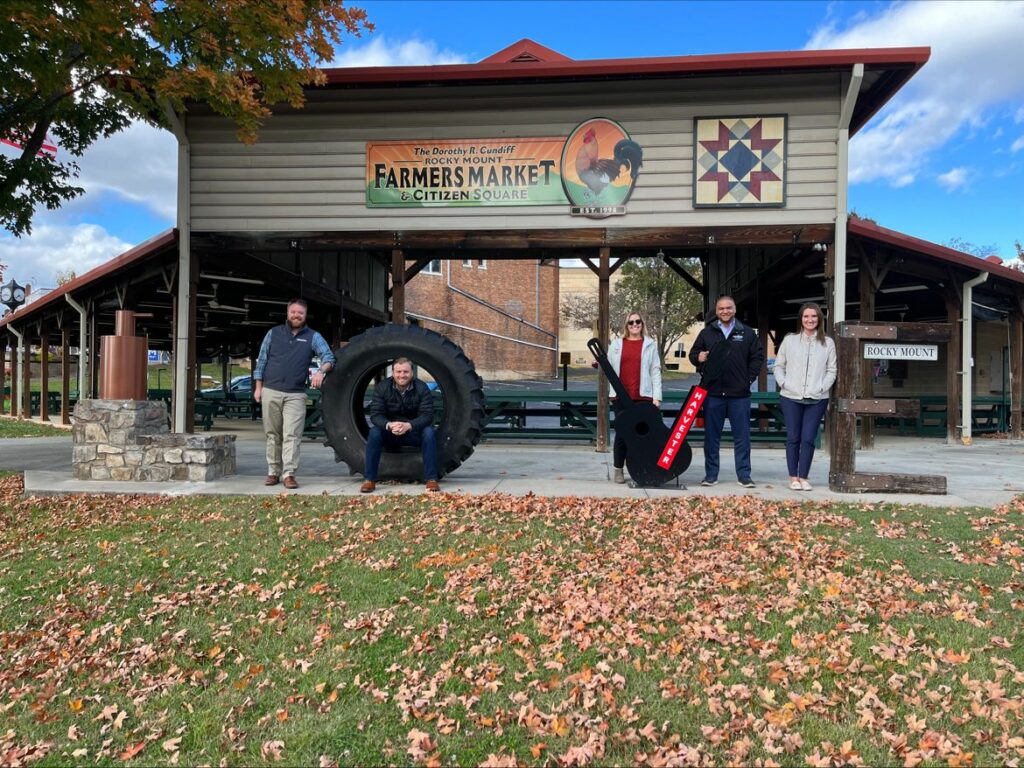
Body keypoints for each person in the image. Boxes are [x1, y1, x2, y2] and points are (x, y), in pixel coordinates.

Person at [253, 299, 335, 490]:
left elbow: (329, 357)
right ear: (287, 313)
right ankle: (273, 472)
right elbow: (262, 361)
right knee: (273, 434)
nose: (296, 315)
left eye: (300, 313)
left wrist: (321, 371)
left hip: (295, 394)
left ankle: (289, 474)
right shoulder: (273, 334)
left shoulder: (313, 337)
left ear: (305, 316)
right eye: (293, 312)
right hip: (270, 391)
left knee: (292, 435)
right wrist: (258, 387)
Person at [688, 295, 765, 488]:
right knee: (711, 437)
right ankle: (711, 476)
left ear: (734, 310)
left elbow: (758, 356)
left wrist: (748, 378)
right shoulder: (707, 333)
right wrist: (699, 357)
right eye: (721, 308)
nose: (725, 311)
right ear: (716, 311)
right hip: (713, 394)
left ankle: (744, 476)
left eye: (728, 308)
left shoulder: (746, 333)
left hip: (739, 395)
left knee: (742, 438)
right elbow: (692, 355)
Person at [773, 302, 837, 491]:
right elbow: (778, 366)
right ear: (801, 319)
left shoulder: (828, 343)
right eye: (806, 316)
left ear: (819, 319)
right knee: (793, 437)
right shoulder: (790, 340)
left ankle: (804, 476)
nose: (810, 320)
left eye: (814, 316)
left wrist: (821, 387)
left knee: (808, 438)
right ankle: (793, 477)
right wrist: (784, 383)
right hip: (791, 396)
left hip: (817, 398)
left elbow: (832, 370)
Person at [360, 358, 440, 493]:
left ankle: (431, 479)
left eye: (405, 372)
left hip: (413, 432)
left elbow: (427, 415)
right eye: (398, 372)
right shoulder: (382, 387)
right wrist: (389, 425)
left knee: (429, 432)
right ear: (393, 372)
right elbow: (375, 414)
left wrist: (409, 425)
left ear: (412, 373)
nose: (402, 375)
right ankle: (369, 479)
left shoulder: (421, 388)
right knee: (374, 432)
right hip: (390, 432)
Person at [607, 310, 662, 483]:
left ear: (642, 324)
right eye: (631, 322)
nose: (634, 325)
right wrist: (597, 364)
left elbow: (655, 371)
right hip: (621, 396)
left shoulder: (650, 344)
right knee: (623, 432)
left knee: (642, 434)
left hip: (643, 395)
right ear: (626, 325)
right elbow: (607, 365)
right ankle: (618, 469)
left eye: (637, 322)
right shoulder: (616, 344)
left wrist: (657, 396)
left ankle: (640, 466)